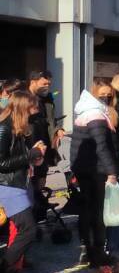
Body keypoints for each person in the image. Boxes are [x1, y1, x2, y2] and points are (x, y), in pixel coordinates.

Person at [69, 82, 119, 267]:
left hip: (87, 168)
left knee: (88, 210)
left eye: (109, 94)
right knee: (97, 212)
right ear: (94, 95)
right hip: (96, 169)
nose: (106, 97)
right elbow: (102, 146)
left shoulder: (87, 111)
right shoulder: (96, 115)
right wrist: (112, 171)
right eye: (102, 94)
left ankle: (88, 249)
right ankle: (97, 252)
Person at [0, 90, 45, 273]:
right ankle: (4, 272)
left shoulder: (17, 128)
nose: (34, 113)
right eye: (31, 108)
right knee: (28, 229)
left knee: (25, 229)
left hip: (17, 184)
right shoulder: (4, 128)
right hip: (7, 186)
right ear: (22, 108)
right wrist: (31, 154)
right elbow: (2, 163)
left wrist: (33, 156)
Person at [27, 70, 63, 221]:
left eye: (49, 83)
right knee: (29, 180)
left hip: (44, 143)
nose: (47, 86)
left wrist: (57, 129)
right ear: (33, 81)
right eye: (44, 83)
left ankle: (40, 208)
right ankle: (31, 213)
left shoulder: (47, 98)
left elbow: (50, 119)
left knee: (41, 177)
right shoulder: (23, 97)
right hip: (29, 143)